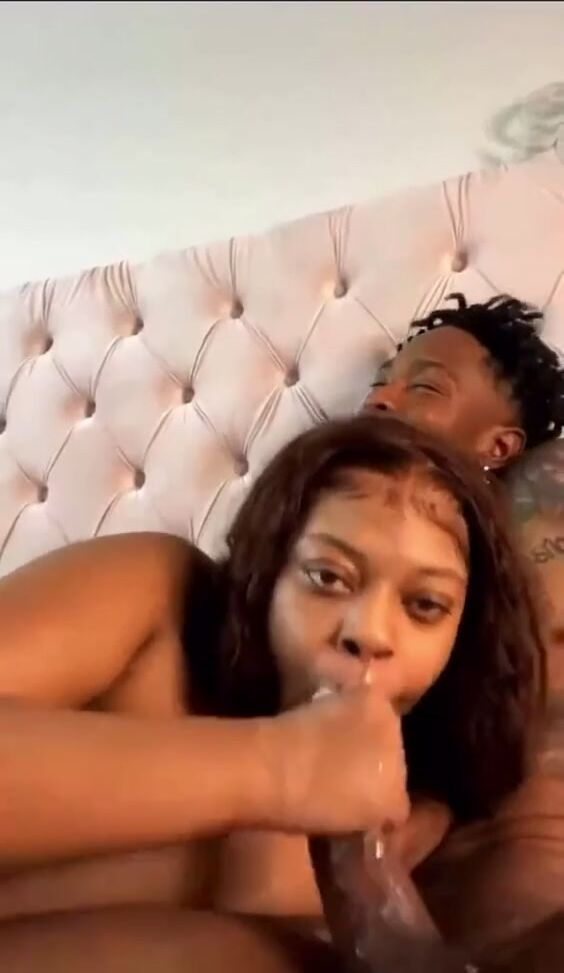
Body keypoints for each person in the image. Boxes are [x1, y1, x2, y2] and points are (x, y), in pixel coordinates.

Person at [0, 415, 544, 972]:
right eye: (327, 577)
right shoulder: (156, 598)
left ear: (463, 639)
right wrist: (283, 767)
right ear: (267, 574)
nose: (369, 632)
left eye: (425, 605)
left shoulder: (418, 817)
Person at [364, 293, 564, 960]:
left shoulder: (537, 517)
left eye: (423, 387)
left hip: (519, 879)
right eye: (380, 383)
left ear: (498, 446)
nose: (381, 399)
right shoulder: (307, 536)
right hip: (341, 874)